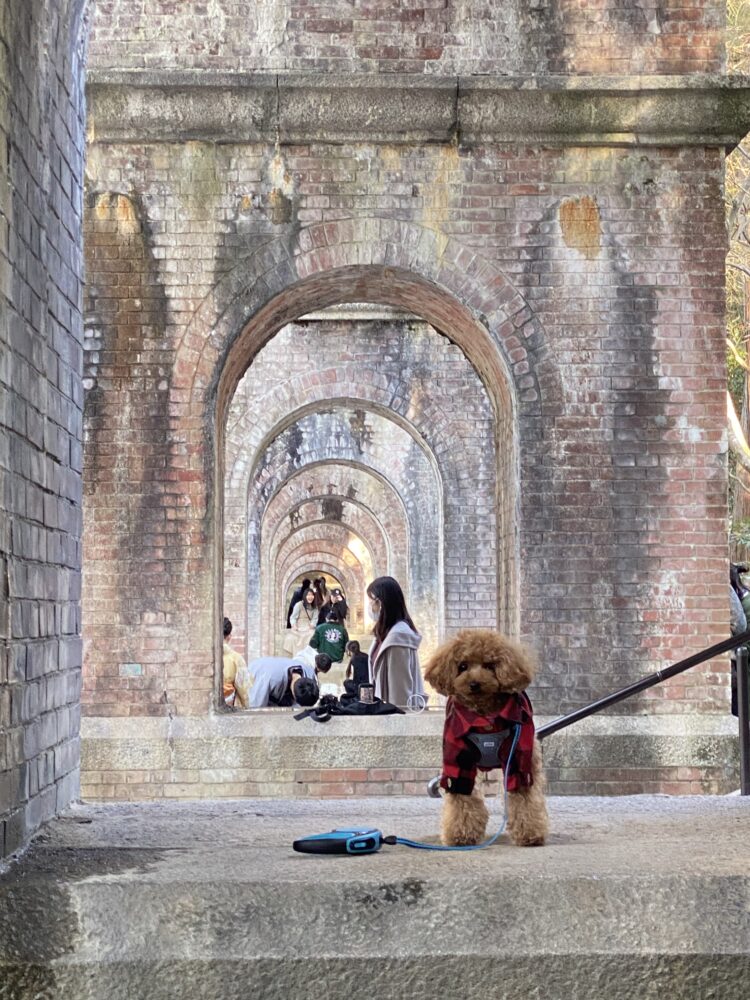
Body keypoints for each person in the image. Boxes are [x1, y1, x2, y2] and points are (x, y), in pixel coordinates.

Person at [366, 576, 424, 707]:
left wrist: (394, 723)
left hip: (393, 716)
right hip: (383, 711)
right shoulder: (385, 632)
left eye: (372, 602)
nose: (370, 607)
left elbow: (400, 693)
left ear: (382, 603)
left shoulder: (398, 638)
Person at [248, 653, 332, 708]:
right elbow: (256, 708)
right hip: (254, 675)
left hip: (275, 680)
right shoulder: (270, 679)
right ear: (294, 697)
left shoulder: (310, 674)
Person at [222, 617, 250, 708]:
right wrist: (246, 705)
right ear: (229, 636)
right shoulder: (236, 658)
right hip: (228, 702)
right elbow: (243, 689)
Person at [283, 586, 317, 655]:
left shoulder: (315, 607)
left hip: (309, 626)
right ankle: (298, 655)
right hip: (299, 626)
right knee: (293, 638)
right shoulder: (298, 605)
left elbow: (315, 618)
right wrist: (294, 625)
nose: (310, 597)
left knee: (311, 635)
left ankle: (307, 656)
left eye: (312, 595)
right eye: (308, 595)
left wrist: (312, 624)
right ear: (305, 596)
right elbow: (293, 617)